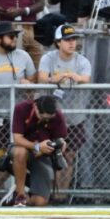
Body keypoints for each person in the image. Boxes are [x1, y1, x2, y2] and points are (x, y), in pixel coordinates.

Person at [37, 24, 91, 203]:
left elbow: (87, 78)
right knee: (45, 154)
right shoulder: (48, 58)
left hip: (74, 118)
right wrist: (55, 78)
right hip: (50, 118)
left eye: (74, 39)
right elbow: (42, 78)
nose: (71, 43)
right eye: (67, 40)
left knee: (69, 156)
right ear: (58, 42)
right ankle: (45, 195)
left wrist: (78, 78)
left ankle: (61, 196)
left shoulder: (81, 60)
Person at [0, 21, 36, 195]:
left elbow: (34, 84)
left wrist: (29, 84)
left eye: (16, 36)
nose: (14, 40)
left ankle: (20, 194)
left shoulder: (23, 56)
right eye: (11, 37)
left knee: (18, 156)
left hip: (19, 119)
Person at [8, 95, 67, 206]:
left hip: (43, 156)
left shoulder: (58, 116)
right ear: (35, 106)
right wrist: (38, 146)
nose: (44, 120)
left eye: (48, 119)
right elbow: (17, 139)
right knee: (20, 152)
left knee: (40, 202)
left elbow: (62, 141)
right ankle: (20, 195)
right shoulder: (21, 108)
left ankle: (18, 197)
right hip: (23, 149)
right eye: (42, 117)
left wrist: (58, 146)